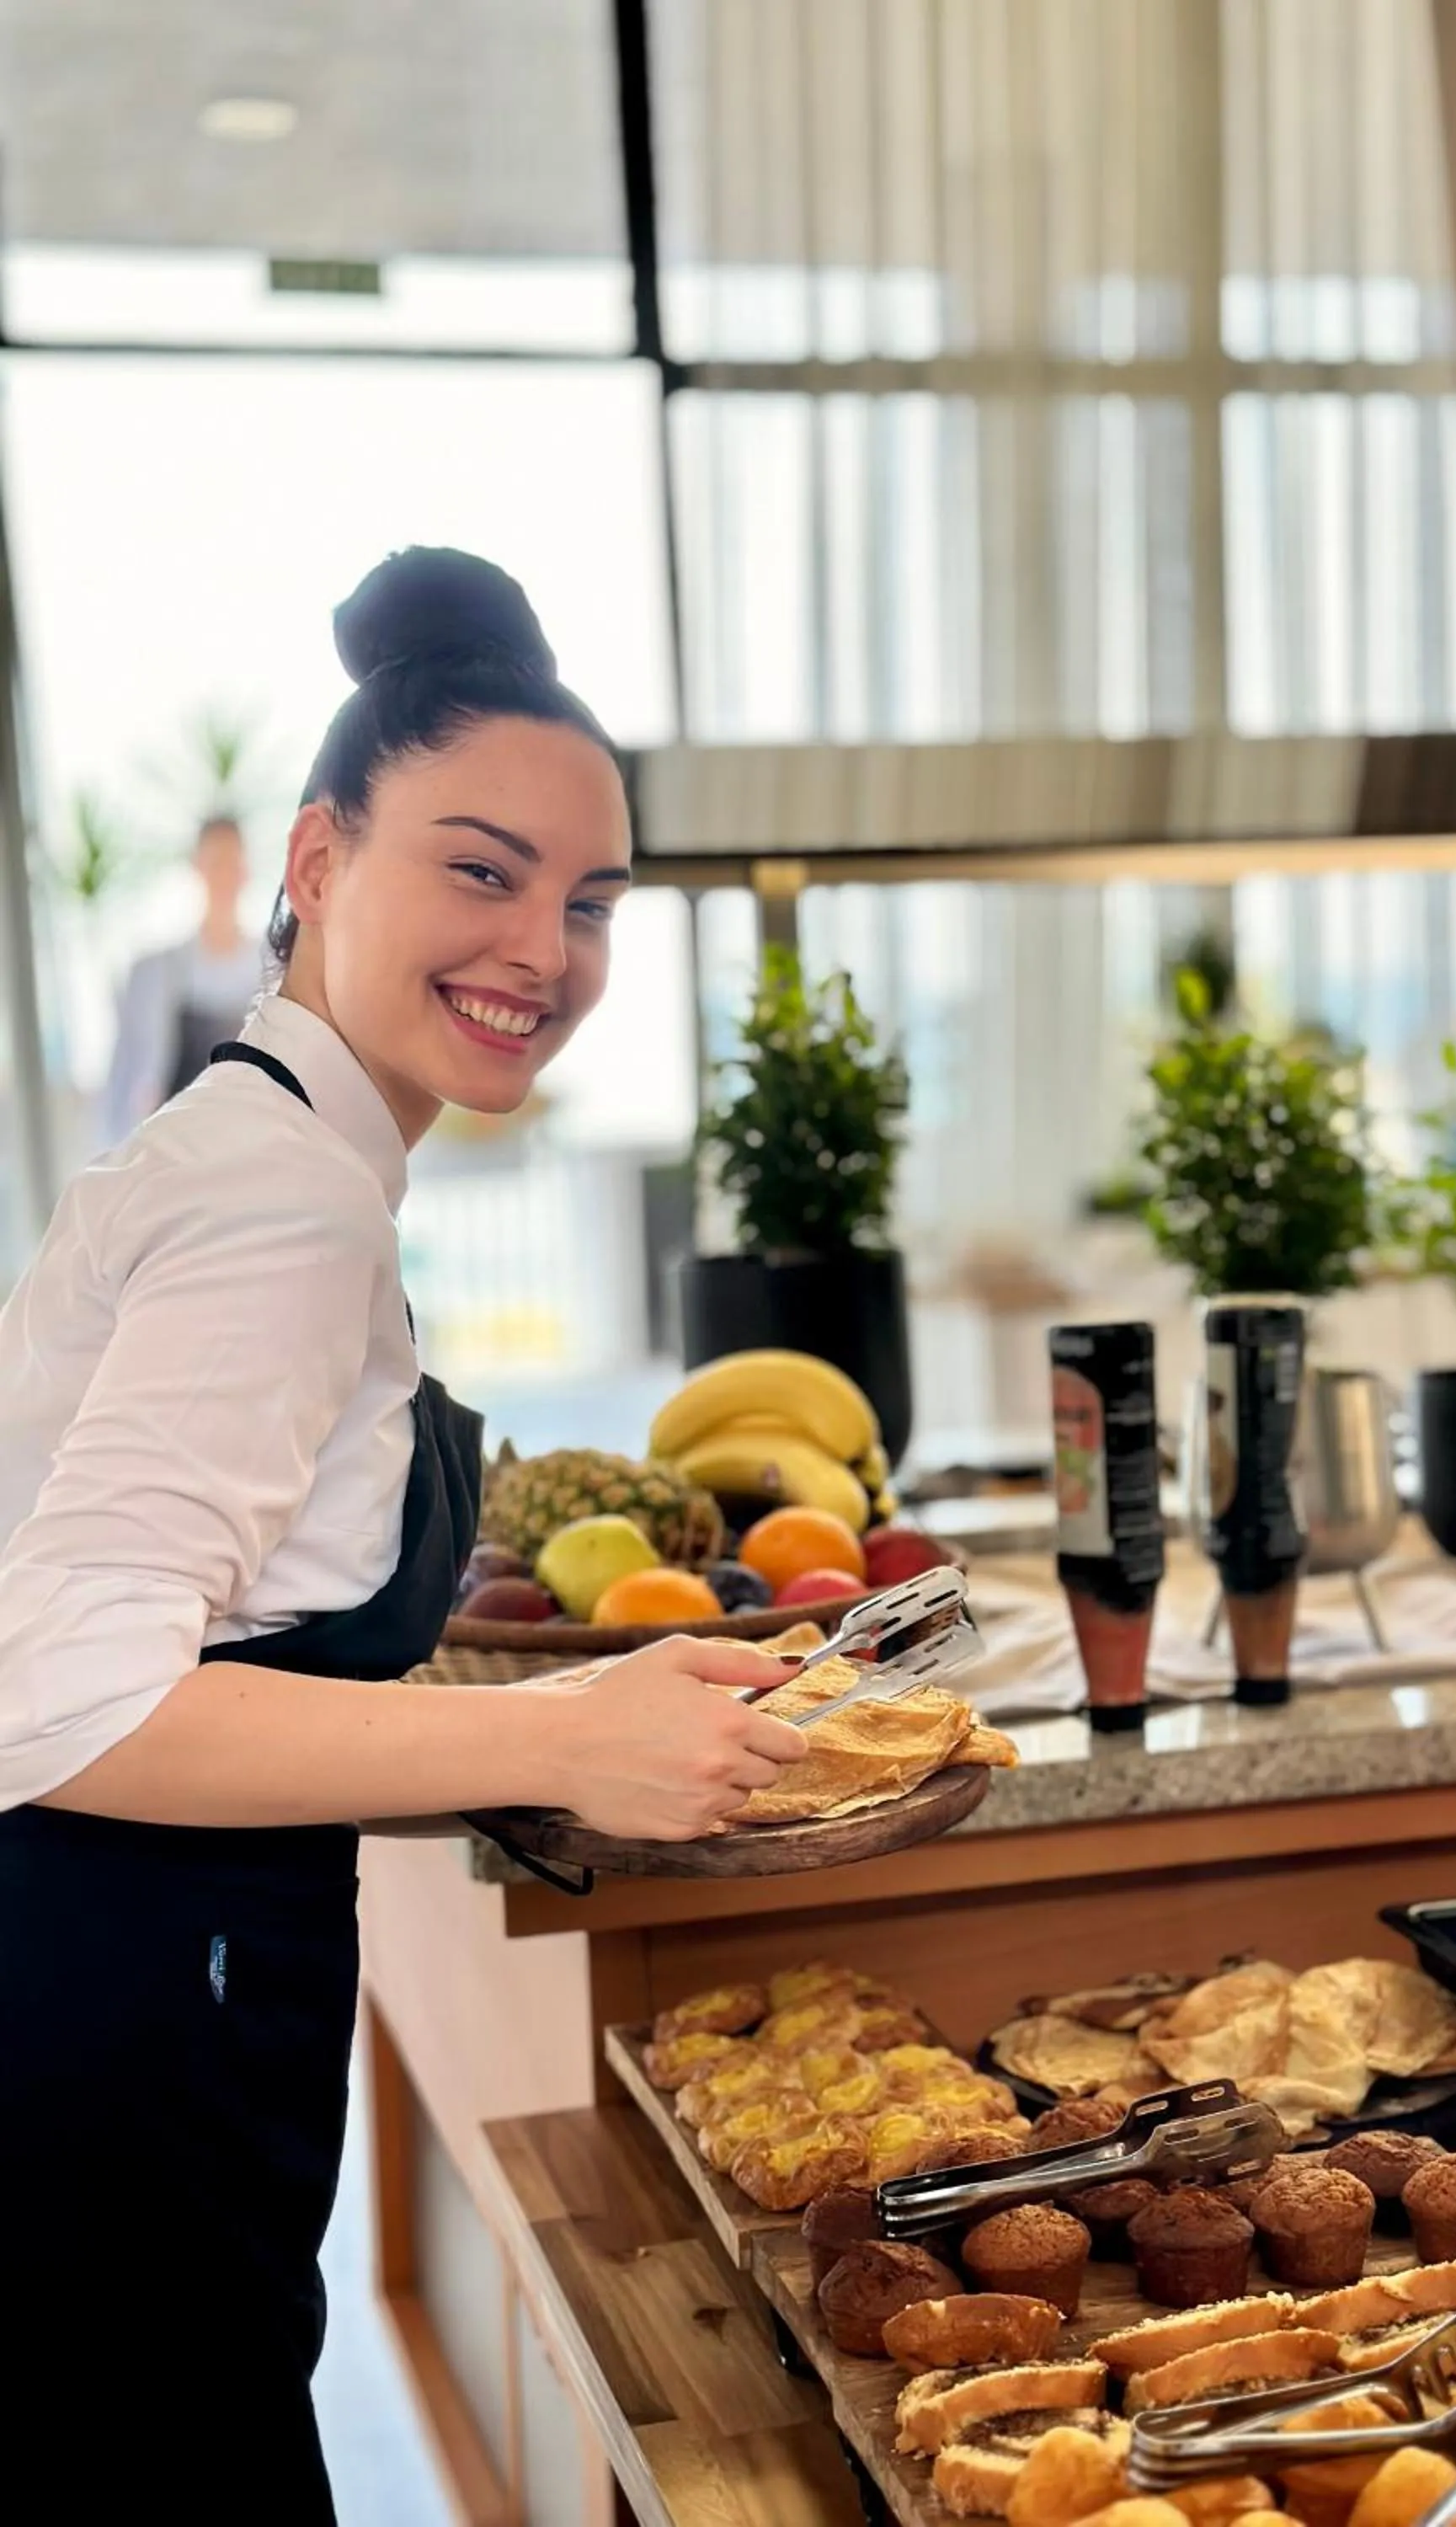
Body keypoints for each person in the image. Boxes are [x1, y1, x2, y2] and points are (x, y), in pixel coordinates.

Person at [0, 548, 808, 2520]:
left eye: (589, 901)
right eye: (480, 870)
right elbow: (65, 1699)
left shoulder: (263, 1150)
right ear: (317, 855)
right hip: (120, 2034)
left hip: (132, 2010)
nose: (545, 946)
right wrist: (558, 1734)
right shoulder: (285, 1203)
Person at [99, 811, 265, 1141]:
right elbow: (123, 1084)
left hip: (252, 1141)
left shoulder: (272, 971)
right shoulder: (155, 973)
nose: (224, 876)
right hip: (176, 1146)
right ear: (197, 867)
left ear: (246, 871)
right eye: (215, 863)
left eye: (232, 863)